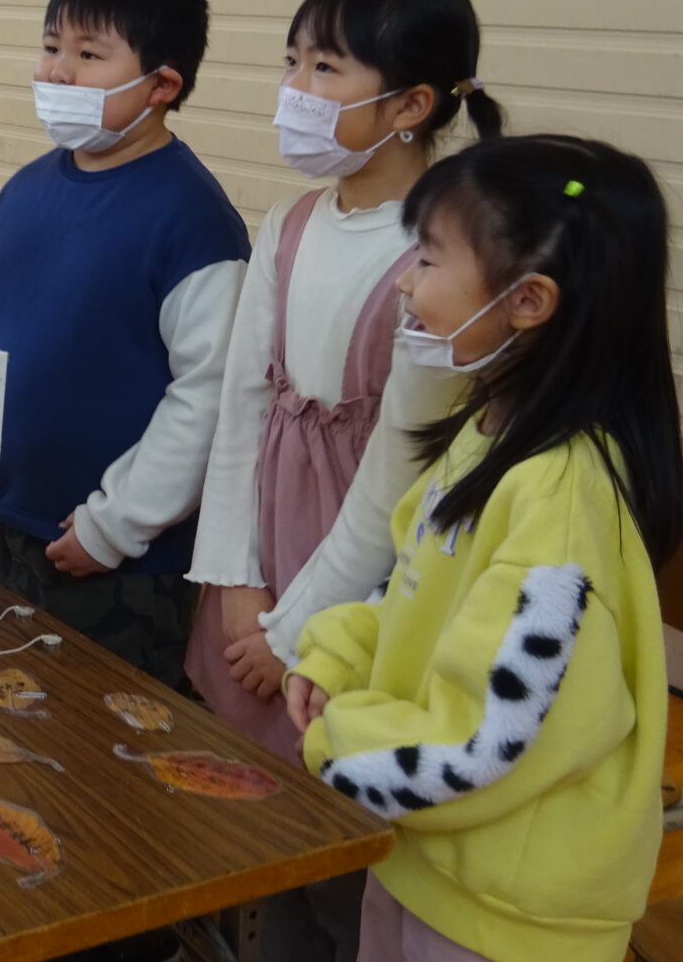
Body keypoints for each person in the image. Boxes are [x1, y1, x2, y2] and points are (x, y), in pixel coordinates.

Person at [288, 135, 679, 962]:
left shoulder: (563, 498)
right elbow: (415, 593)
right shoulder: (488, 429)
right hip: (426, 862)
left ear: (529, 301)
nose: (404, 282)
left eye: (427, 260)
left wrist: (337, 742)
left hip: (504, 917)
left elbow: (489, 742)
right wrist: (335, 657)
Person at [184, 0, 506, 962]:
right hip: (261, 563)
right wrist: (237, 583)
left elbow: (395, 483)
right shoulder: (287, 225)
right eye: (293, 62)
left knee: (340, 851)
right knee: (258, 832)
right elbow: (241, 409)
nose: (296, 90)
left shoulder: (441, 257)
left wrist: (294, 625)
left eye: (326, 66)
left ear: (412, 104)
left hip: (358, 589)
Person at [0, 0, 249, 694]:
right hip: (1, 526)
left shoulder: (193, 219)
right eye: (52, 47)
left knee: (101, 764)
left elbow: (208, 396)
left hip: (117, 561)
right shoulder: (23, 192)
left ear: (161, 84)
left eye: (89, 55)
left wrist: (114, 524)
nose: (57, 72)